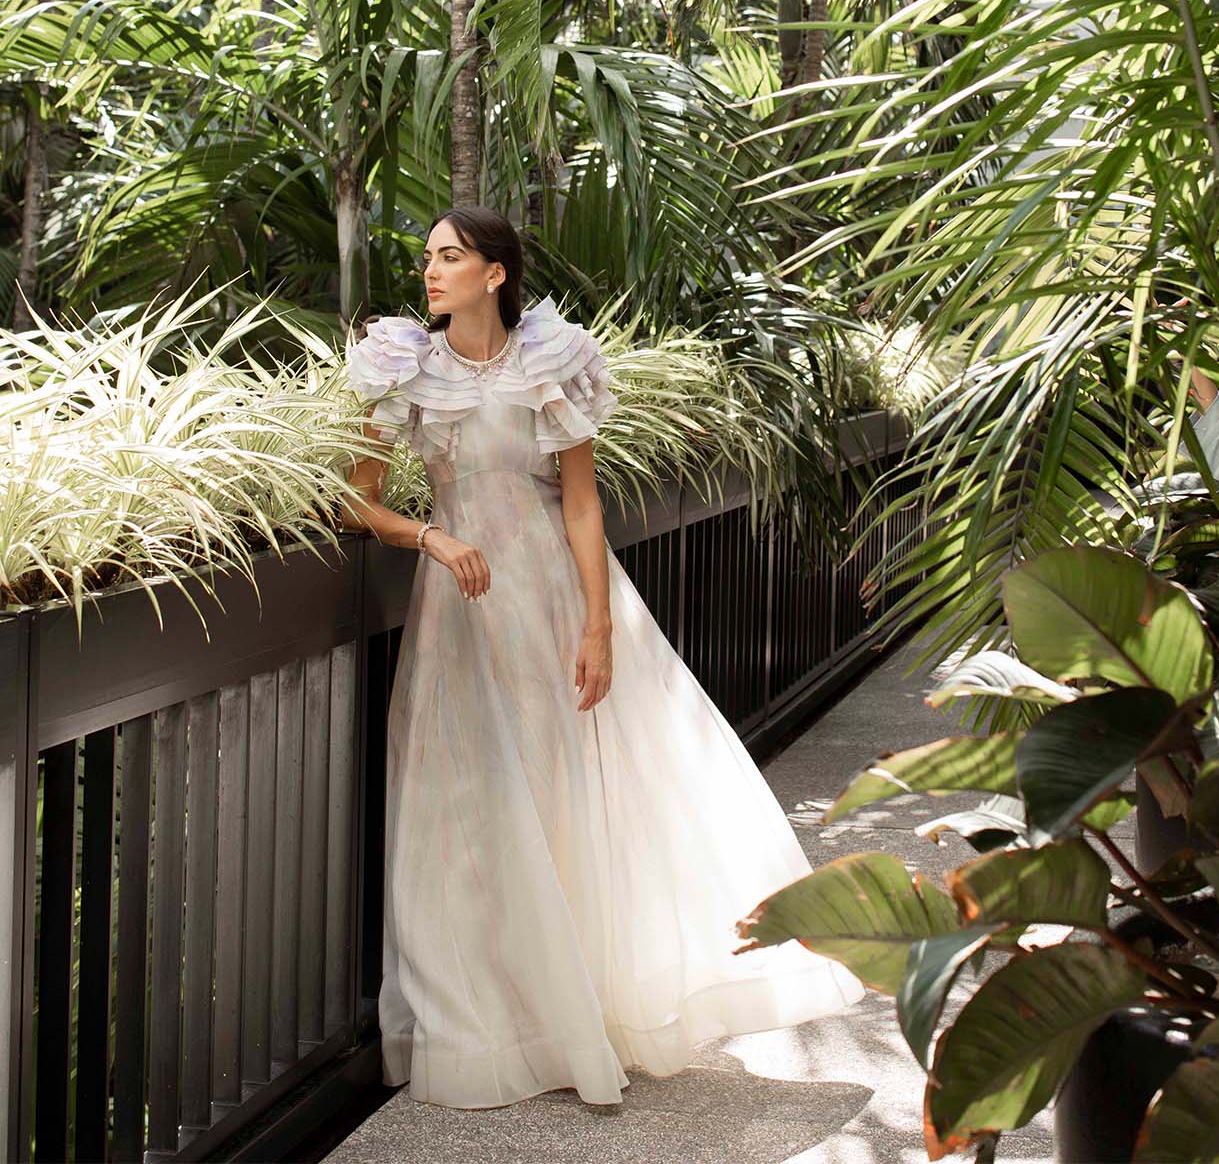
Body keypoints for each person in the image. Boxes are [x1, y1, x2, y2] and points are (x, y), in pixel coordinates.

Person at [341, 205, 863, 1110]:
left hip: (549, 601)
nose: (430, 271)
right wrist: (431, 536)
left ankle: (583, 1009)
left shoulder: (552, 362)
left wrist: (597, 628)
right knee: (459, 808)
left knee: (562, 793)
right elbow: (359, 501)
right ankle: (489, 1019)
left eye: (451, 256)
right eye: (427, 257)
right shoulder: (406, 371)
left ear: (495, 274)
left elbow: (581, 507)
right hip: (458, 613)